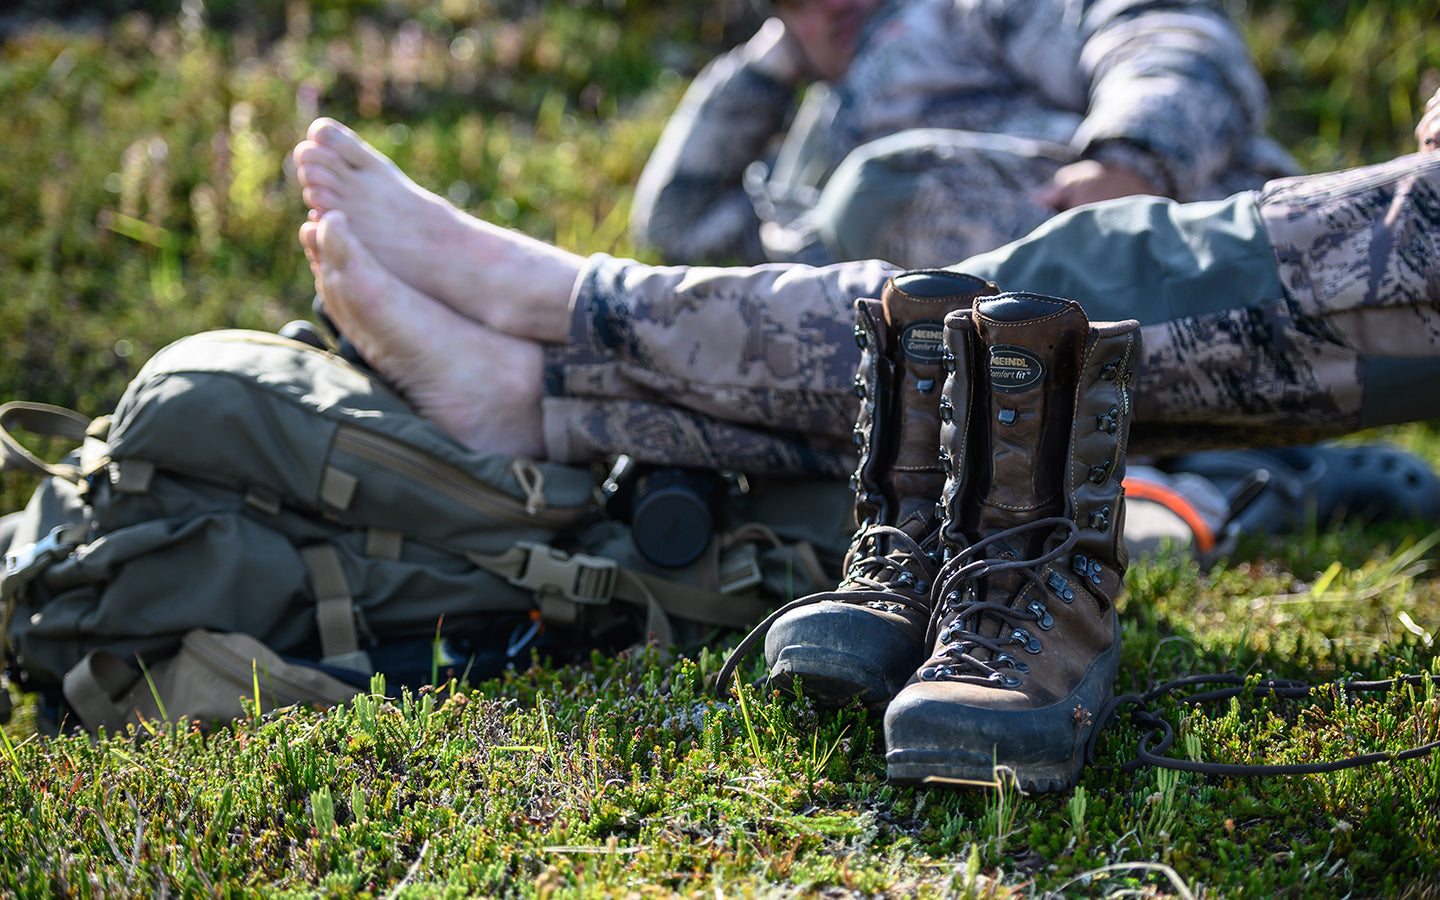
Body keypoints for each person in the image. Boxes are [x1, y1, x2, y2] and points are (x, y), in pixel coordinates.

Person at [294, 114, 1440, 790]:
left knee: (1057, 298)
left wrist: (1129, 142)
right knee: (931, 333)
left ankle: (557, 337)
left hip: (1080, 208)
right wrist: (775, 56)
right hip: (859, 277)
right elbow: (686, 205)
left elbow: (1170, 32)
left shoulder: (1008, 18)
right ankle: (560, 386)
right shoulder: (808, 89)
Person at [628, 0, 1298, 269]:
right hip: (1010, 362)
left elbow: (1167, 34)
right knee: (854, 208)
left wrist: (1130, 161)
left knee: (870, 195)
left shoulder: (964, 13)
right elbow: (677, 231)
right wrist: (773, 60)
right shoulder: (816, 137)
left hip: (1201, 245)